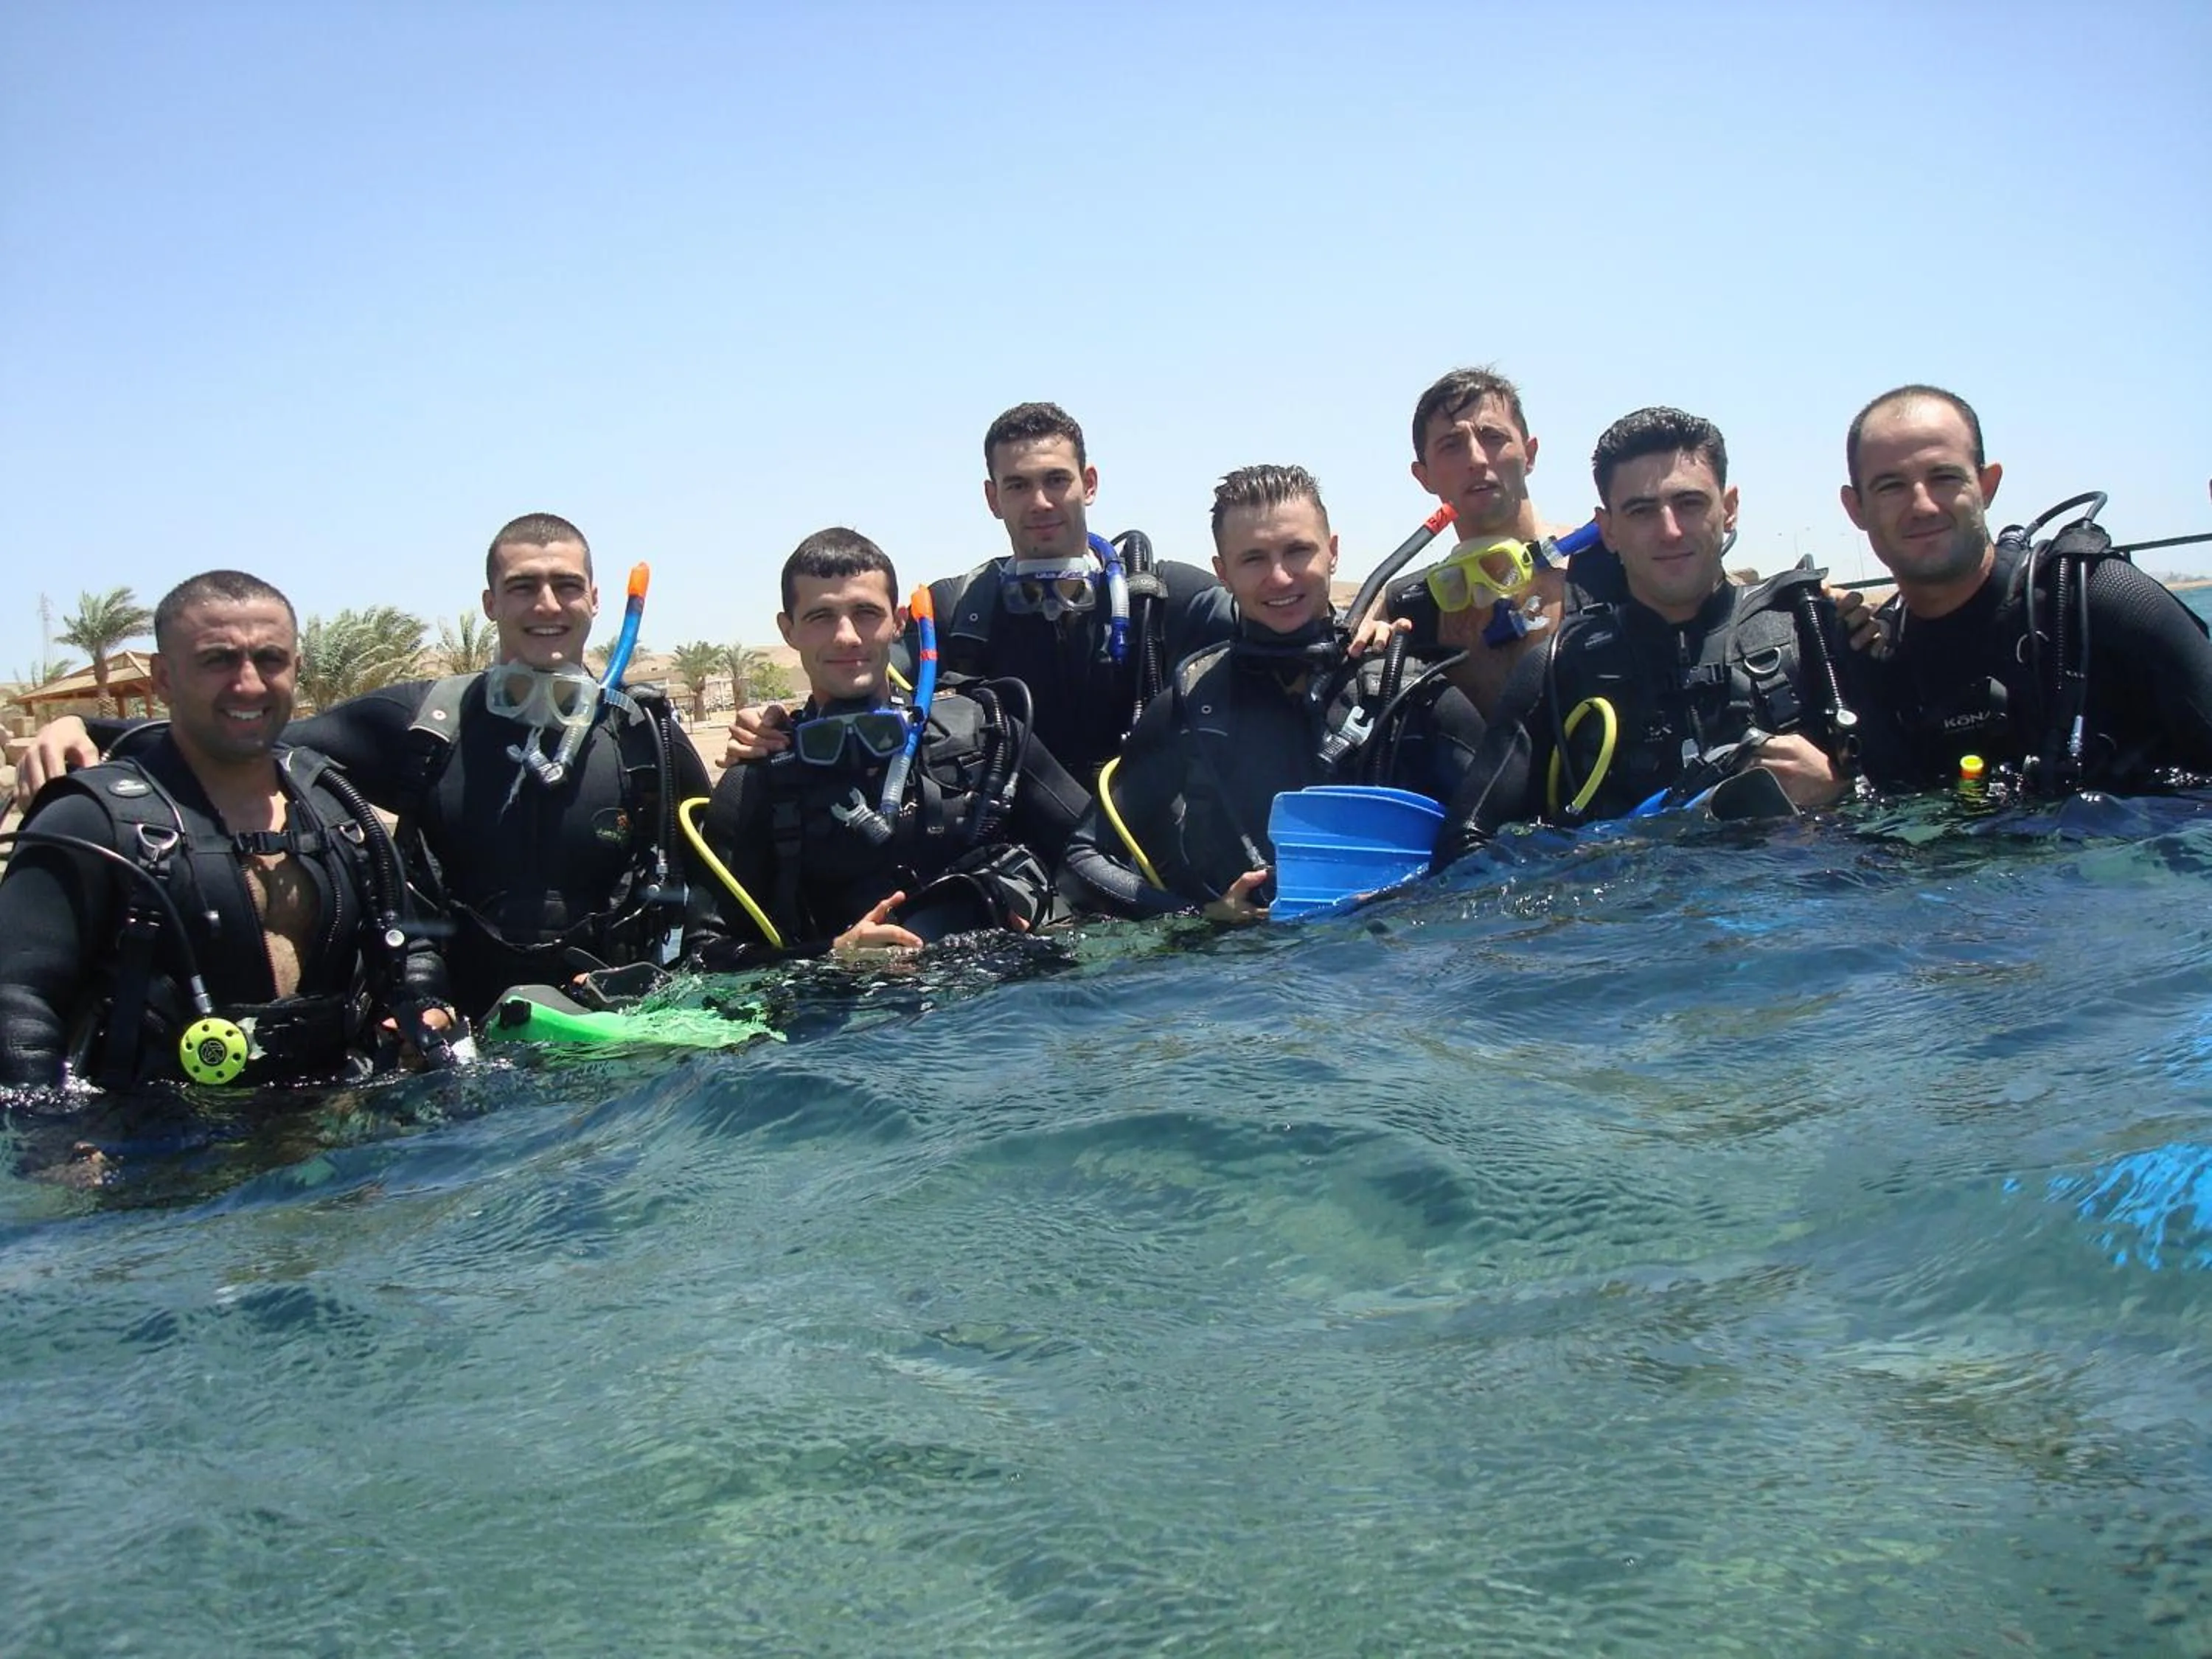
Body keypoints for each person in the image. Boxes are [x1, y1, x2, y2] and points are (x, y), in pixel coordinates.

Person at [15, 515, 710, 1018]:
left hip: (622, 1031)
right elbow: (250, 726)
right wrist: (92, 725)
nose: (547, 605)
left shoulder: (644, 737)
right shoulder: (420, 723)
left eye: (566, 585)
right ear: (490, 604)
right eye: (523, 586)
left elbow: (718, 885)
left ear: (595, 598)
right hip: (466, 1040)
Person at [0, 571, 456, 1091]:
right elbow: (18, 1002)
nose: (248, 683)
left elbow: (410, 945)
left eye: (270, 659)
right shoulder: (91, 819)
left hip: (336, 1122)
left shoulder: (339, 811)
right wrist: (53, 1146)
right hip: (154, 1140)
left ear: (296, 669)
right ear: (164, 677)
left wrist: (423, 1004)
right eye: (217, 659)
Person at [1061, 465, 1488, 922]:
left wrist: (1424, 897)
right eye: (1254, 559)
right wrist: (1199, 914)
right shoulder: (1194, 702)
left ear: (1333, 552)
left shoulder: (1407, 691)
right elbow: (1083, 858)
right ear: (1222, 572)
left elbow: (1505, 843)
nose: (1280, 577)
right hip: (1244, 968)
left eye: (1298, 551)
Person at [724, 402, 1234, 784]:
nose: (1039, 502)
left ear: (1090, 483)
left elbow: (1281, 634)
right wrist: (776, 726)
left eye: (1056, 480)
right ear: (992, 497)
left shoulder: (1165, 598)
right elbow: (854, 667)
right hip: (1011, 850)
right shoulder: (957, 611)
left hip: (1144, 843)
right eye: (1016, 486)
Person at [1446, 407, 1866, 841]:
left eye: (1689, 503)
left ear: (1729, 508)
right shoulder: (1555, 672)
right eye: (1641, 511)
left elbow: (1923, 812)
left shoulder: (1816, 636)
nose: (1670, 531)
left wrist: (1841, 790)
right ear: (1607, 529)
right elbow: (1466, 845)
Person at [684, 527, 1091, 964]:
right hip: (844, 1016)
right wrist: (835, 957)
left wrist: (1049, 918)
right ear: (789, 630)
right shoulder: (754, 785)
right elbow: (704, 958)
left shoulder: (987, 735)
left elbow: (1100, 861)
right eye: (821, 617)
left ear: (899, 622)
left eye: (865, 613)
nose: (847, 637)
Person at [1840, 384, 2212, 795]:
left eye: (1944, 477)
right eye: (1890, 486)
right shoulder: (1872, 657)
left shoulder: (2105, 602)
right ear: (1856, 508)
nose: (1923, 505)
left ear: (1986, 485)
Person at [1377, 366, 1631, 720]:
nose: (1477, 460)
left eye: (1493, 437)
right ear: (1424, 477)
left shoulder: (1611, 566)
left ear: (1530, 454)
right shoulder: (1407, 607)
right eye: (1451, 445)